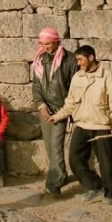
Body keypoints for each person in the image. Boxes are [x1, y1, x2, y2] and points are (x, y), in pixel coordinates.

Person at [48, 45, 112, 205]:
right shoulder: (77, 77)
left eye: (80, 59)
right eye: (77, 60)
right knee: (74, 159)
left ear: (91, 57)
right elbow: (70, 102)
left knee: (106, 162)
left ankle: (111, 193)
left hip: (101, 126)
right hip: (82, 125)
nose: (78, 63)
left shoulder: (106, 76)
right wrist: (58, 116)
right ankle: (94, 186)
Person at [32, 27, 79, 198]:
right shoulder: (40, 60)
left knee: (56, 146)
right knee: (48, 146)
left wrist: (67, 110)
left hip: (60, 110)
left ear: (56, 41)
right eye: (42, 44)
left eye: (48, 44)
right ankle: (61, 174)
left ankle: (54, 183)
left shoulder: (70, 60)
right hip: (45, 109)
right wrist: (41, 106)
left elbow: (75, 87)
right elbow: (36, 87)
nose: (45, 47)